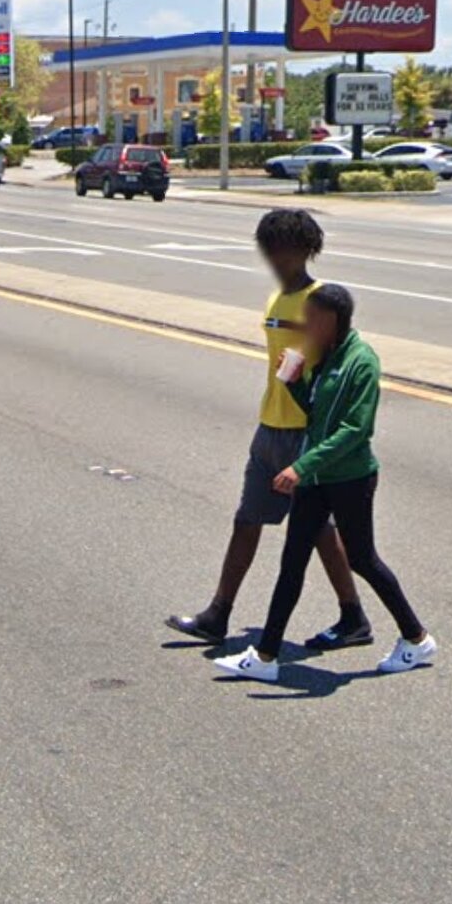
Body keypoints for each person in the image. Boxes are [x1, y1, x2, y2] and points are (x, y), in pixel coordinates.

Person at [213, 283, 436, 684]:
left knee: (362, 558)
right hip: (316, 478)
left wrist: (301, 466)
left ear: (332, 320)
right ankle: (265, 656)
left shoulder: (361, 362)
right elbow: (318, 415)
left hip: (350, 478)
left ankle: (416, 639)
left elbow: (355, 428)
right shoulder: (324, 357)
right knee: (292, 562)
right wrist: (295, 381)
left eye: (311, 317)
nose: (305, 324)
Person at [167, 208, 367, 651]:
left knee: (318, 530)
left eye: (282, 248)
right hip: (270, 425)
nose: (274, 257)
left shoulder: (323, 300)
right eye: (268, 248)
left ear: (305, 250)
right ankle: (217, 614)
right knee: (247, 519)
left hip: (304, 432)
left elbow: (337, 364)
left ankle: (353, 615)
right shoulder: (275, 301)